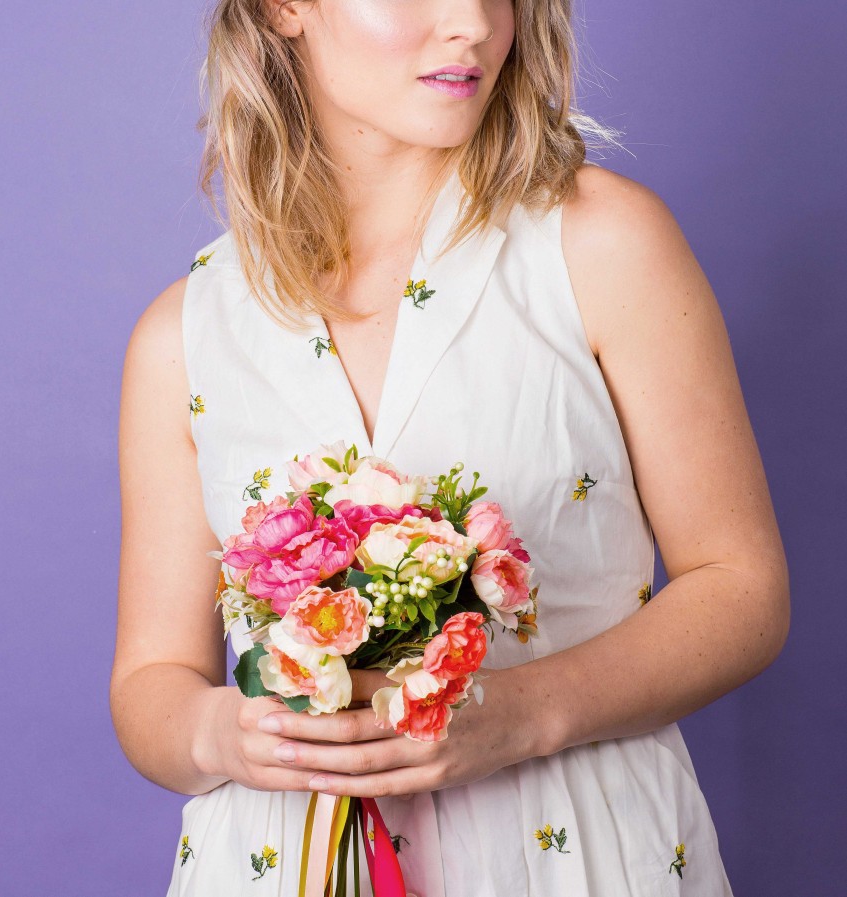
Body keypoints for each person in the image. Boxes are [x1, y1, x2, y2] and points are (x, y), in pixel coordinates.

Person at [110, 0, 790, 894]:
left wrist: (523, 713)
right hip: (279, 863)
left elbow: (742, 589)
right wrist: (220, 733)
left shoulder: (599, 243)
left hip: (570, 854)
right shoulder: (187, 332)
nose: (471, 22)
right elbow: (152, 679)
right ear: (283, 8)